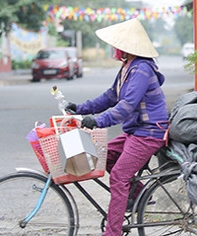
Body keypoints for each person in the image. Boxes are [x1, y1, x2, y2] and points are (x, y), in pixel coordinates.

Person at [66, 17, 168, 236]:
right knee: (104, 156)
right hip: (135, 131)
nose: (114, 49)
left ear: (126, 47)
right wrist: (80, 109)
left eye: (116, 45)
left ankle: (113, 233)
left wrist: (98, 121)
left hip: (149, 132)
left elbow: (126, 106)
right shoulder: (127, 67)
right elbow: (111, 96)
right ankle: (139, 195)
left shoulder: (141, 69)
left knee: (120, 176)